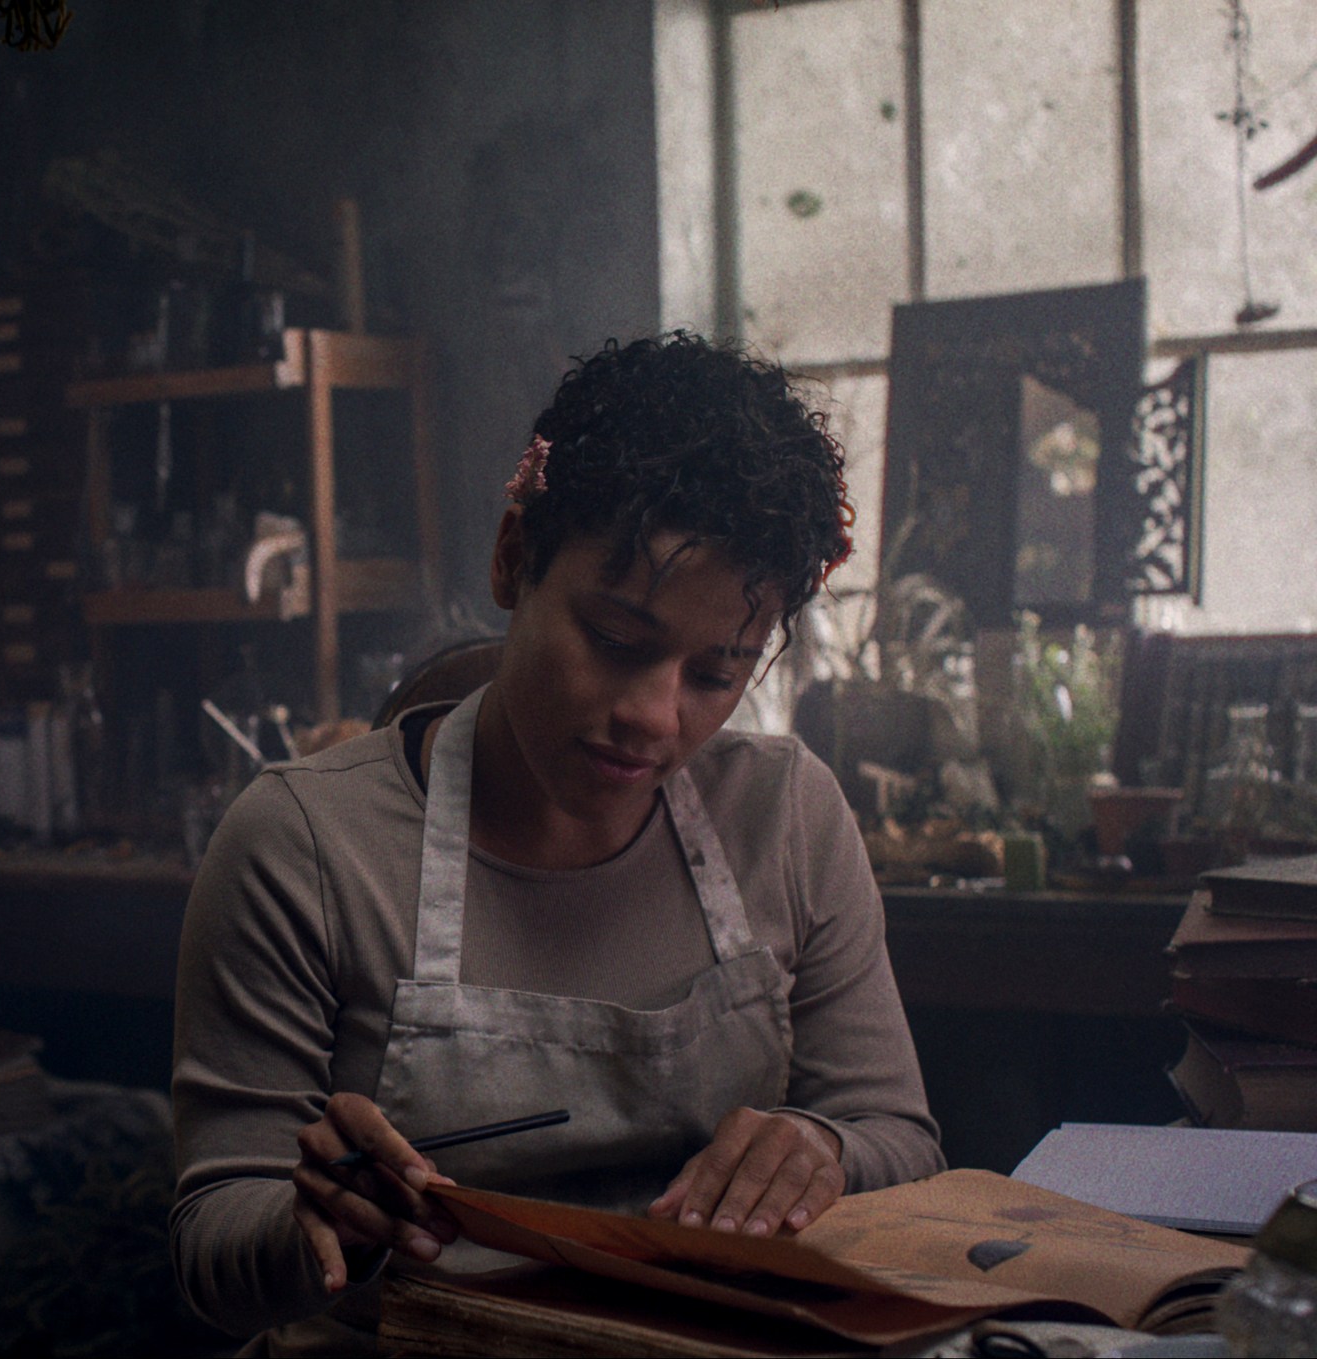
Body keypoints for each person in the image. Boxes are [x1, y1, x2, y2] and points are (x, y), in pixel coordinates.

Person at [168, 333, 945, 1353]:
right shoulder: (304, 845)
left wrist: (821, 1145)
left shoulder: (788, 820)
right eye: (617, 642)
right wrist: (317, 1225)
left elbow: (906, 1143)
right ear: (512, 556)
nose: (653, 717)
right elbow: (210, 1250)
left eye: (716, 674)